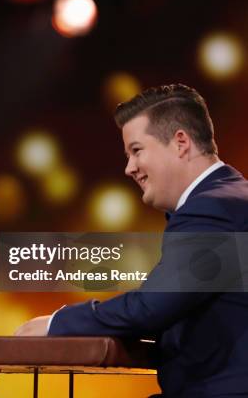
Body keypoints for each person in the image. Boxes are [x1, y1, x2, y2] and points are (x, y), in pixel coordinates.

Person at [15, 84, 248, 397]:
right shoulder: (231, 199)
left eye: (137, 150)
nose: (129, 168)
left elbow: (151, 307)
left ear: (180, 143)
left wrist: (56, 323)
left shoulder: (213, 208)